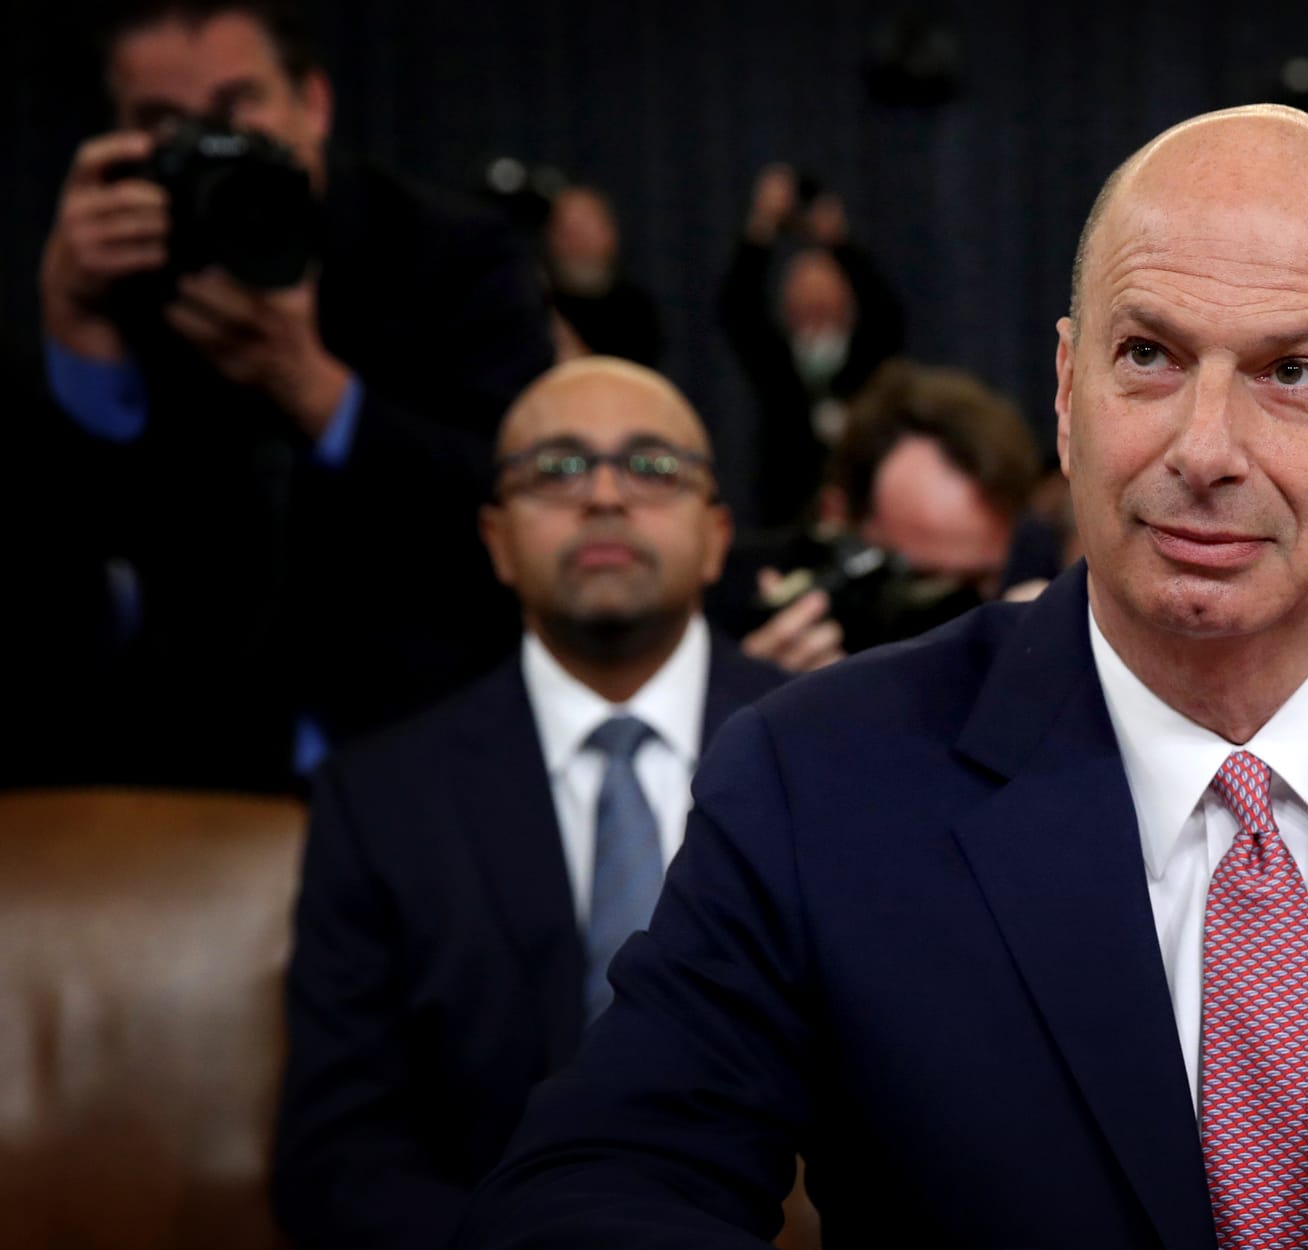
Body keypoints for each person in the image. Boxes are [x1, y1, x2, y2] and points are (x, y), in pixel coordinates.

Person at [461, 104, 1308, 1249]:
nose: (1205, 443)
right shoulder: (822, 776)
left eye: (1291, 372)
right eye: (1148, 357)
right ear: (1065, 391)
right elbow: (599, 1187)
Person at [272, 358, 783, 1250]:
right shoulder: (380, 800)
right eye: (557, 469)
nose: (604, 496)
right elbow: (338, 1160)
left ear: (715, 535)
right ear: (498, 539)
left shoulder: (832, 752)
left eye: (652, 466)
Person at [37, 0, 553, 789]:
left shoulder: (455, 250)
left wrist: (317, 389)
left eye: (236, 106)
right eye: (162, 121)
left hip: (427, 752)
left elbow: (523, 499)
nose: (213, 145)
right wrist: (75, 331)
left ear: (311, 102)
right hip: (180, 767)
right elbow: (69, 566)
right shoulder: (105, 269)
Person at [719, 359, 1040, 663]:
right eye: (924, 582)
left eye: (976, 583)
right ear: (837, 517)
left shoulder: (1027, 609)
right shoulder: (729, 607)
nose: (955, 617)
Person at [719, 164, 906, 528]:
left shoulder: (867, 356)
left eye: (824, 283)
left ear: (848, 297)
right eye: (801, 285)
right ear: (785, 302)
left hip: (865, 511)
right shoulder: (776, 364)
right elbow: (738, 309)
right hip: (789, 514)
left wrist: (836, 240)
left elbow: (886, 314)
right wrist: (762, 226)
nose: (813, 295)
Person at [543, 185, 663, 367]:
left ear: (610, 233)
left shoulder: (634, 309)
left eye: (585, 227)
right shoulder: (535, 303)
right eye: (566, 228)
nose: (577, 239)